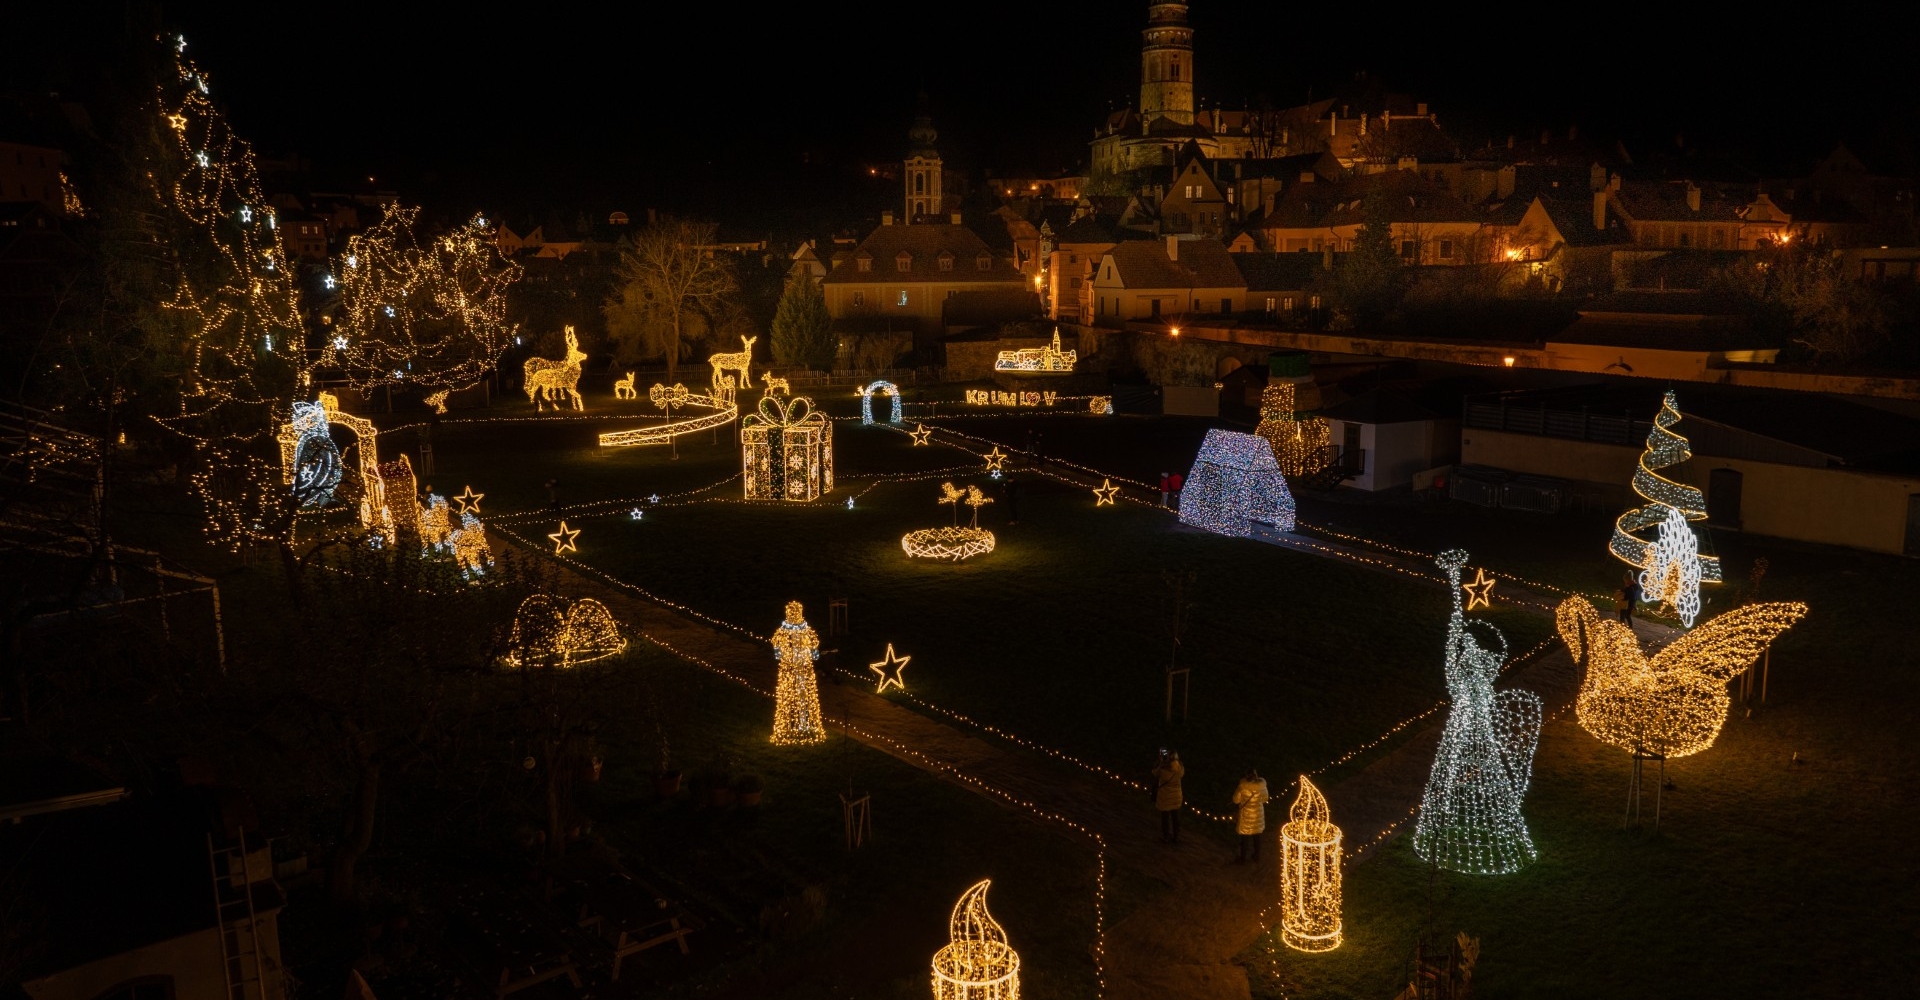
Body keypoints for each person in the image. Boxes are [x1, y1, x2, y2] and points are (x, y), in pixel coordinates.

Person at [1232, 768, 1270, 865]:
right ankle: (1256, 856)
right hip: (1258, 814)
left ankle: (1243, 859)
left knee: (1245, 838)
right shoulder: (1262, 786)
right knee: (1257, 837)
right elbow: (1265, 799)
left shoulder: (1242, 786)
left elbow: (1236, 800)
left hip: (1246, 815)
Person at [1152, 750, 1185, 844]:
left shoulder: (1162, 769)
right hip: (1176, 797)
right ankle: (1176, 837)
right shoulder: (1179, 768)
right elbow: (1182, 772)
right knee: (1175, 818)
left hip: (1165, 797)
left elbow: (1154, 773)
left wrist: (1159, 762)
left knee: (1165, 818)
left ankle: (1166, 837)